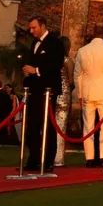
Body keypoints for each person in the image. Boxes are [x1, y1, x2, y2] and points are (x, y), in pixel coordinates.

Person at [17, 15, 66, 172]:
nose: (31, 31)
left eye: (34, 28)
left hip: (48, 91)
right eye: (30, 28)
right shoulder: (34, 43)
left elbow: (56, 64)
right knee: (32, 125)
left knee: (48, 126)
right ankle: (34, 160)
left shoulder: (55, 43)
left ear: (43, 26)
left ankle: (48, 160)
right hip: (34, 90)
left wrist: (36, 70)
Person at [73, 29, 103, 163]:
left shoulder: (83, 50)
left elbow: (78, 75)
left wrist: (80, 93)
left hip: (88, 92)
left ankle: (89, 158)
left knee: (88, 126)